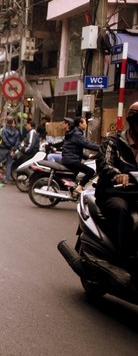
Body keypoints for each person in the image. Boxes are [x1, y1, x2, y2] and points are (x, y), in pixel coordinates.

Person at [94, 102, 138, 266]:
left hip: (135, 196)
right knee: (121, 210)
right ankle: (121, 260)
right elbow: (104, 163)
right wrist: (118, 175)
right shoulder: (114, 142)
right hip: (113, 193)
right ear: (132, 122)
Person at [61, 117, 100, 195]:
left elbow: (76, 149)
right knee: (90, 171)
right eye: (85, 123)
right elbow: (87, 144)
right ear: (80, 124)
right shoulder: (77, 134)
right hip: (71, 160)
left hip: (69, 158)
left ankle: (72, 190)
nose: (86, 124)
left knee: (75, 176)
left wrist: (87, 156)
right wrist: (102, 147)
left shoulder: (74, 132)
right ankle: (79, 188)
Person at [0, 118, 20, 184]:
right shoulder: (17, 132)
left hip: (3, 149)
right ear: (12, 123)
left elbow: (4, 140)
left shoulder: (4, 130)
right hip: (11, 151)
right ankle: (6, 179)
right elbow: (17, 142)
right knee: (9, 165)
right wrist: (13, 149)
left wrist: (9, 146)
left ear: (6, 122)